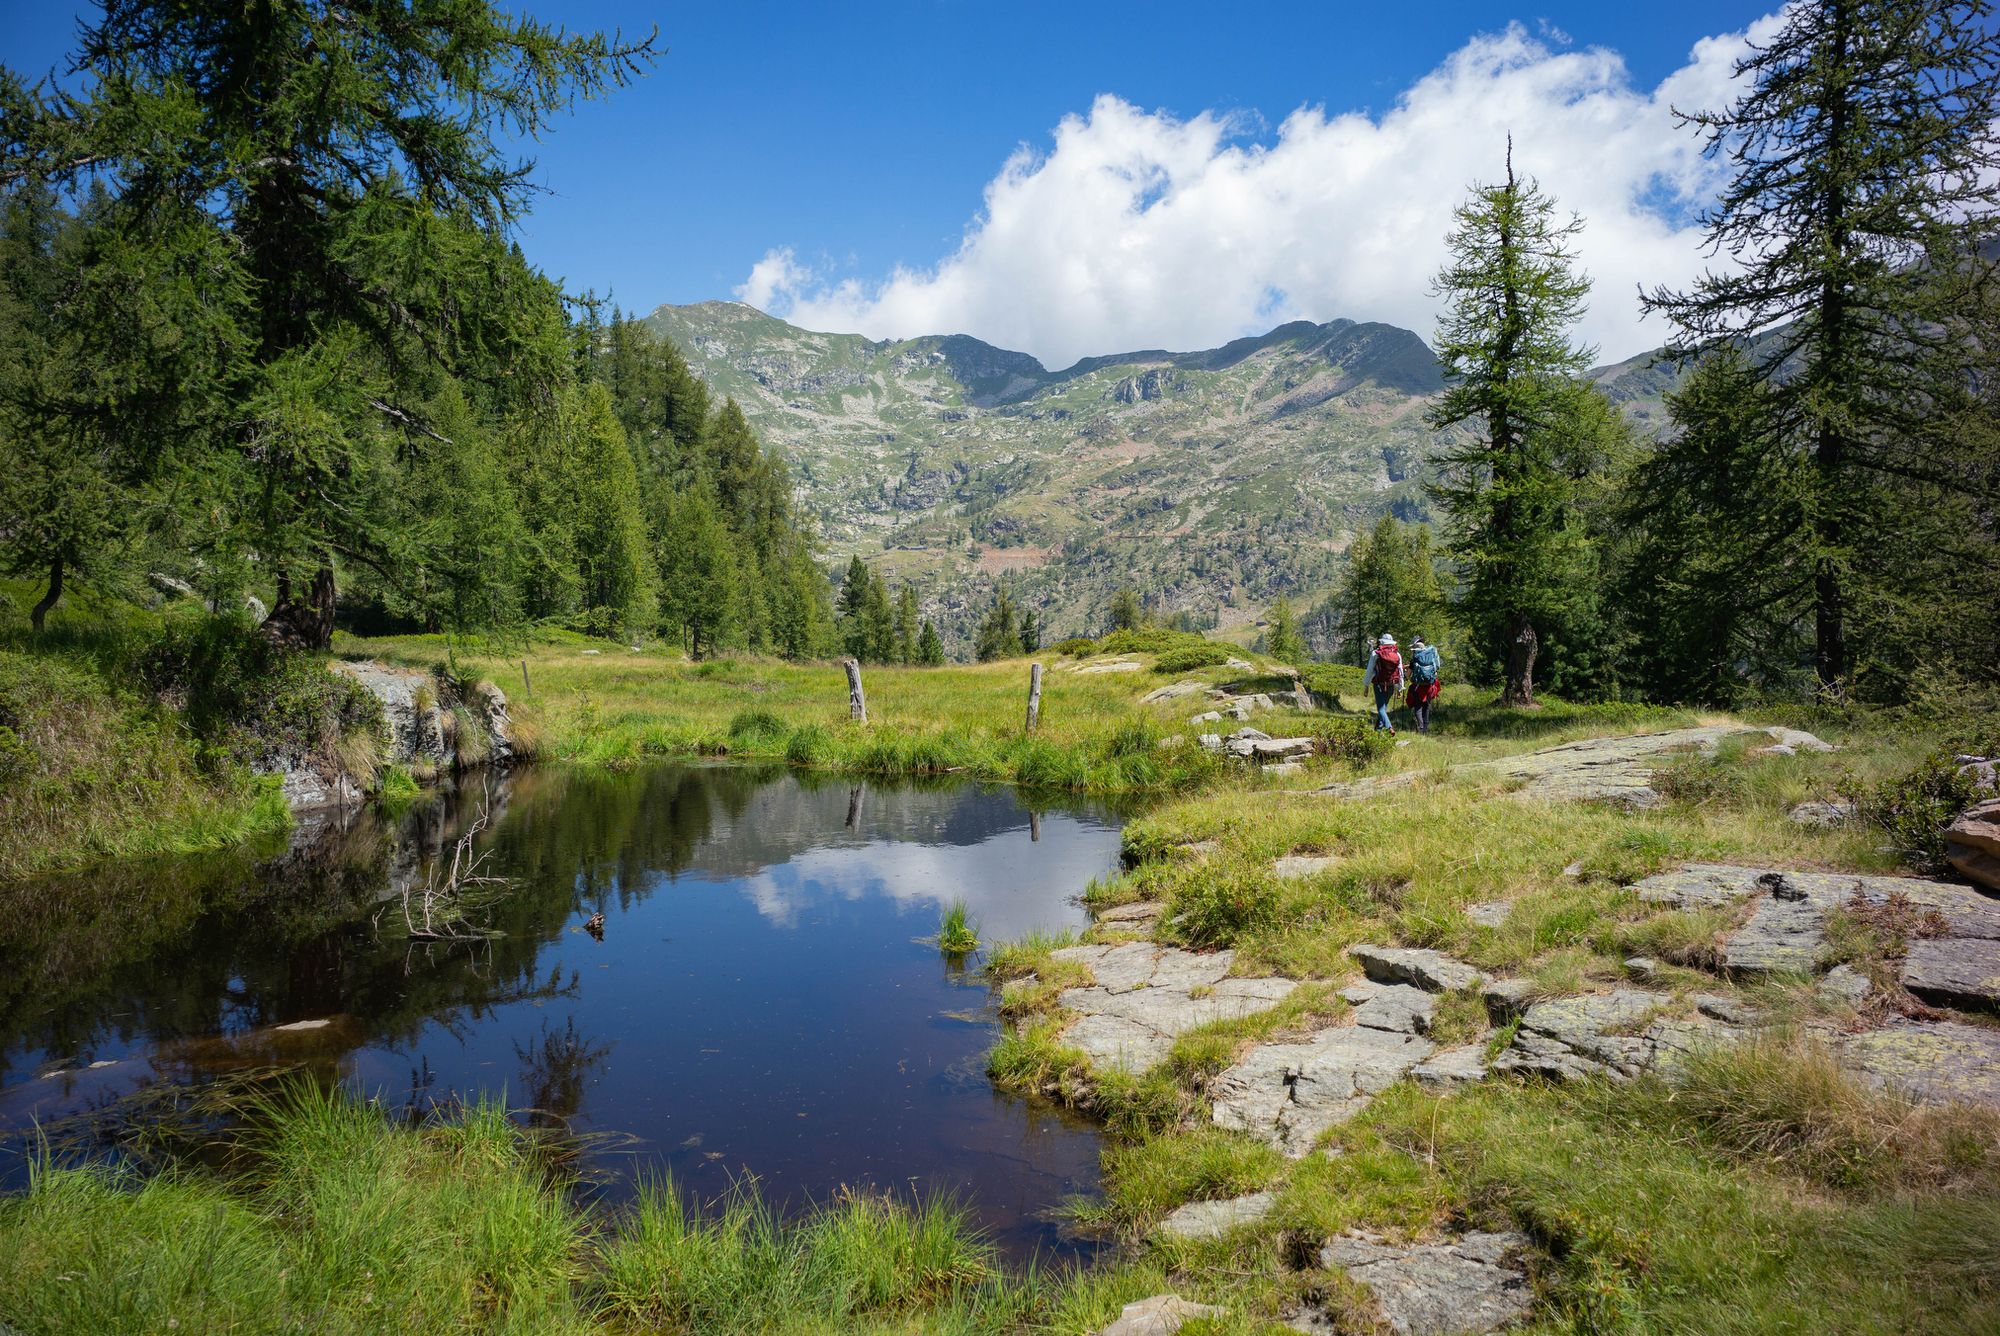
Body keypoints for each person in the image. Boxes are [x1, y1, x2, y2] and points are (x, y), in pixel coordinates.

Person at [1364, 633, 1403, 733]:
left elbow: (1369, 670)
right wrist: (1400, 688)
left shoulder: (1376, 653)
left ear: (1382, 642)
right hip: (1391, 684)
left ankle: (1389, 727)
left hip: (1379, 684)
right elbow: (1400, 672)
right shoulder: (1397, 654)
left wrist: (1366, 685)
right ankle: (1378, 731)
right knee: (1383, 709)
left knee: (1381, 709)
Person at [1407, 636, 1443, 734]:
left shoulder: (1414, 658)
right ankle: (1425, 730)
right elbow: (1437, 668)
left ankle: (1421, 728)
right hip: (1430, 686)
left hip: (1418, 686)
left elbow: (1408, 675)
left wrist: (1409, 673)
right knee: (1426, 707)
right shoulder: (1431, 656)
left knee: (1418, 707)